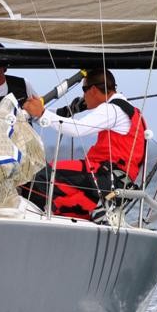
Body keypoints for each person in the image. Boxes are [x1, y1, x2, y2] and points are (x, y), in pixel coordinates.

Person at [22, 69, 146, 220]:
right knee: (68, 203)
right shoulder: (130, 111)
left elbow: (78, 129)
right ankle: (76, 219)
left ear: (93, 90)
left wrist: (42, 113)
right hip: (115, 180)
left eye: (84, 90)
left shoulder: (112, 109)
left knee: (37, 175)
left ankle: (31, 218)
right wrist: (44, 113)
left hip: (105, 178)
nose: (83, 96)